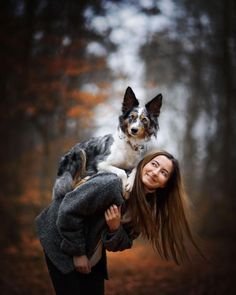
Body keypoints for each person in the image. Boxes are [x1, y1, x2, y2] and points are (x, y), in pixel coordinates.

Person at [35, 150, 202, 295]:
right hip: (59, 237)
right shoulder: (112, 183)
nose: (155, 172)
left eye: (164, 172)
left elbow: (123, 243)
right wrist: (78, 253)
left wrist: (115, 228)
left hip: (91, 249)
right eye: (154, 164)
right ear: (144, 164)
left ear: (166, 184)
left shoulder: (145, 209)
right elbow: (68, 210)